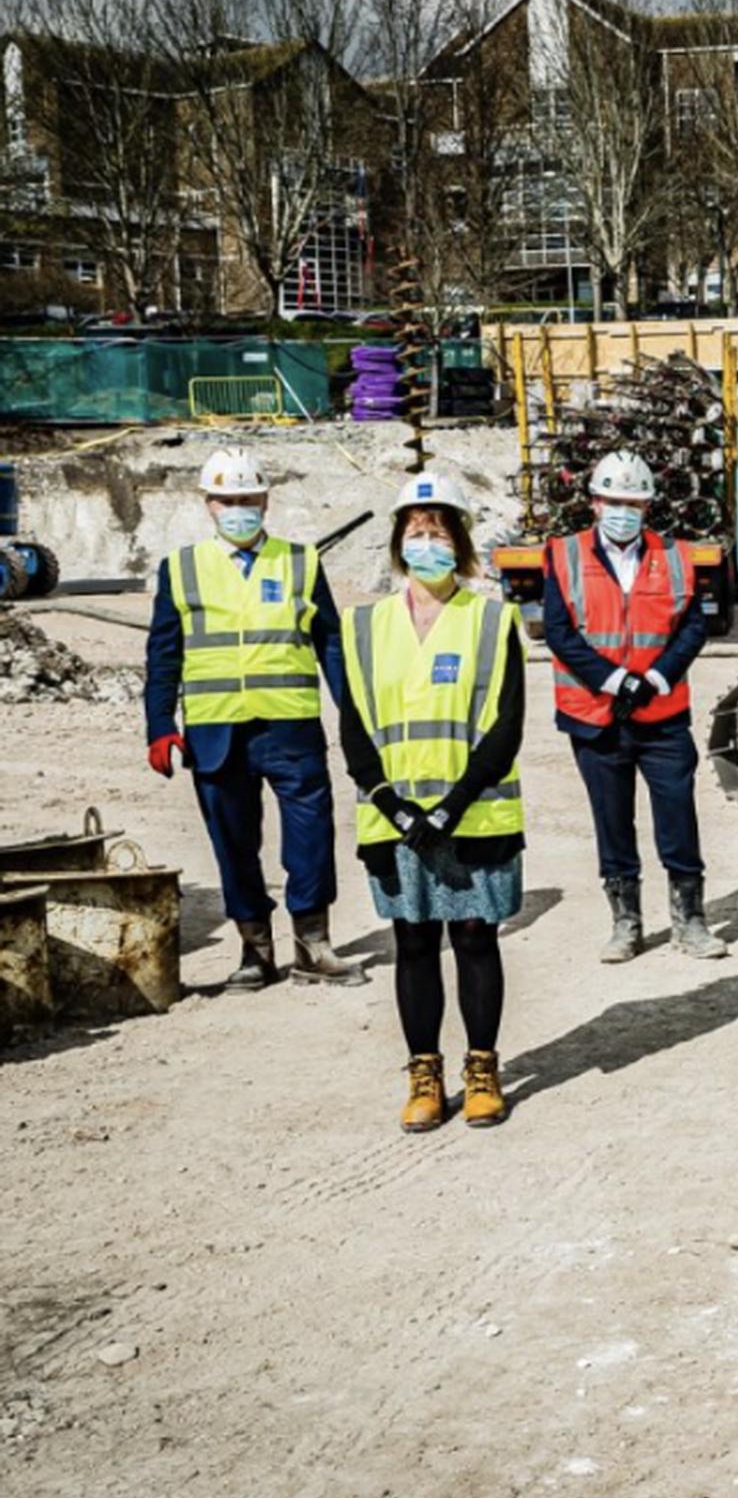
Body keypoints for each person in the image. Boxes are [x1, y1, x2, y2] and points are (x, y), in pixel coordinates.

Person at [336, 474, 526, 1132]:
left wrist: (452, 806)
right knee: (412, 942)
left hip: (474, 814)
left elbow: (506, 723)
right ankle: (424, 1072)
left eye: (440, 534)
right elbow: (355, 725)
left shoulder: (491, 619)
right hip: (395, 820)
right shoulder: (364, 626)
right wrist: (391, 804)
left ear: (463, 546)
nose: (427, 545)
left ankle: (481, 1069)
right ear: (396, 545)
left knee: (475, 936)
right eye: (416, 534)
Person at [144, 446, 356, 990]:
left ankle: (314, 944)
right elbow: (164, 656)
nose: (238, 508)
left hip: (290, 728)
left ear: (265, 501)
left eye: (248, 498)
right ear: (208, 505)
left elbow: (330, 643)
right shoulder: (182, 568)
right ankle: (254, 950)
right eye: (227, 500)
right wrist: (160, 725)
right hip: (216, 734)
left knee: (310, 838)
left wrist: (352, 710)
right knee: (234, 843)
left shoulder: (302, 561)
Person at [542, 449, 724, 963]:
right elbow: (559, 632)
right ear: (595, 503)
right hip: (595, 717)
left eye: (634, 503)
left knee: (677, 817)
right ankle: (626, 921)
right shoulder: (564, 554)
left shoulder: (674, 556)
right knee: (612, 820)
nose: (623, 511)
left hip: (661, 716)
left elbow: (692, 626)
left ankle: (690, 920)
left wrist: (658, 678)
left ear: (648, 507)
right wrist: (616, 680)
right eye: (614, 501)